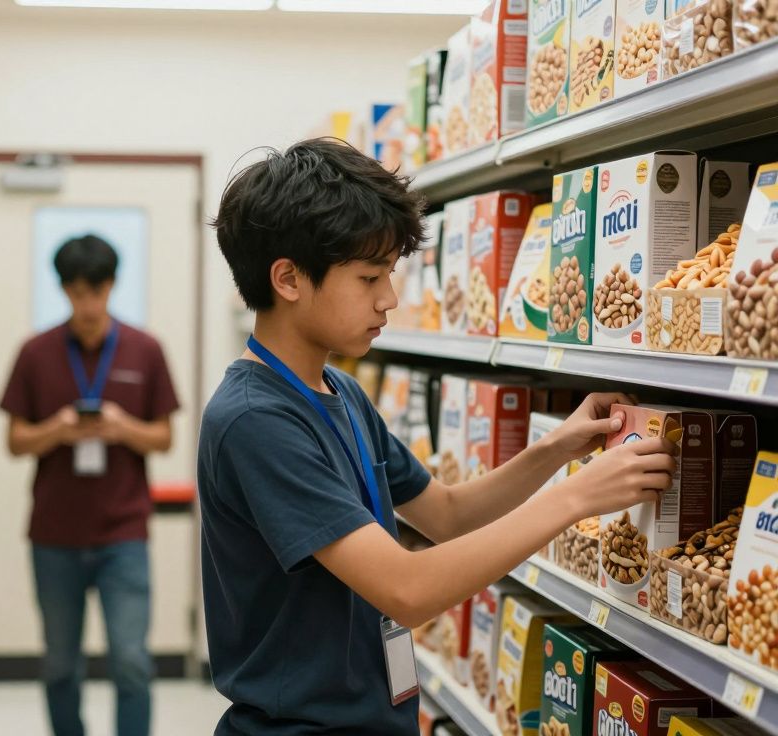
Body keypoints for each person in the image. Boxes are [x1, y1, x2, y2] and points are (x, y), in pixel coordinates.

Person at [198, 138, 677, 735]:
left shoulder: (338, 394)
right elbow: (407, 588)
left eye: (390, 274)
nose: (389, 298)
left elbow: (446, 514)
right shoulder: (255, 421)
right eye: (369, 276)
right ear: (289, 279)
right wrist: (577, 498)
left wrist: (558, 449)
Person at [0, 234, 180, 736]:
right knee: (60, 664)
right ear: (64, 290)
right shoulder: (35, 353)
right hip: (53, 535)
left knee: (131, 661)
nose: (88, 305)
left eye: (96, 292)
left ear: (112, 286)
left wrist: (124, 428)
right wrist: (56, 430)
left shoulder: (146, 350)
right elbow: (15, 441)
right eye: (77, 293)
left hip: (124, 534)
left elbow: (164, 438)